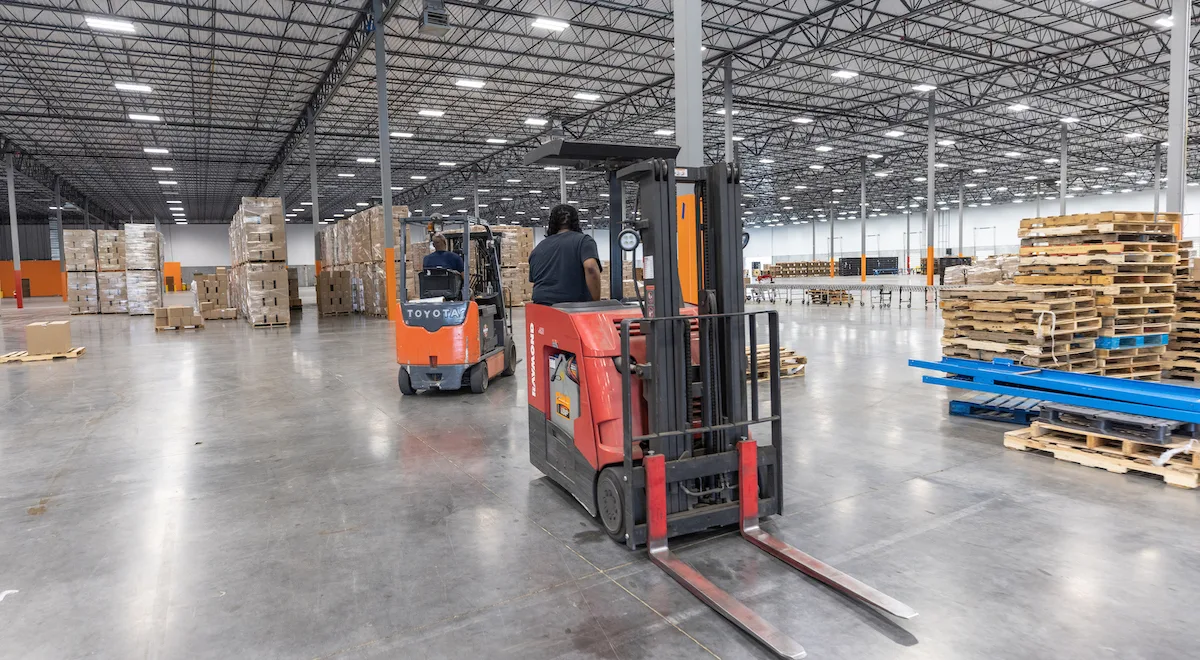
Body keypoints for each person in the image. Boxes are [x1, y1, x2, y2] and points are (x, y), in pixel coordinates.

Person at [528, 204, 603, 305]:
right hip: (572, 308)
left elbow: (535, 280)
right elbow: (591, 268)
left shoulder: (538, 248)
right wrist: (596, 303)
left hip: (540, 308)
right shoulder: (584, 241)